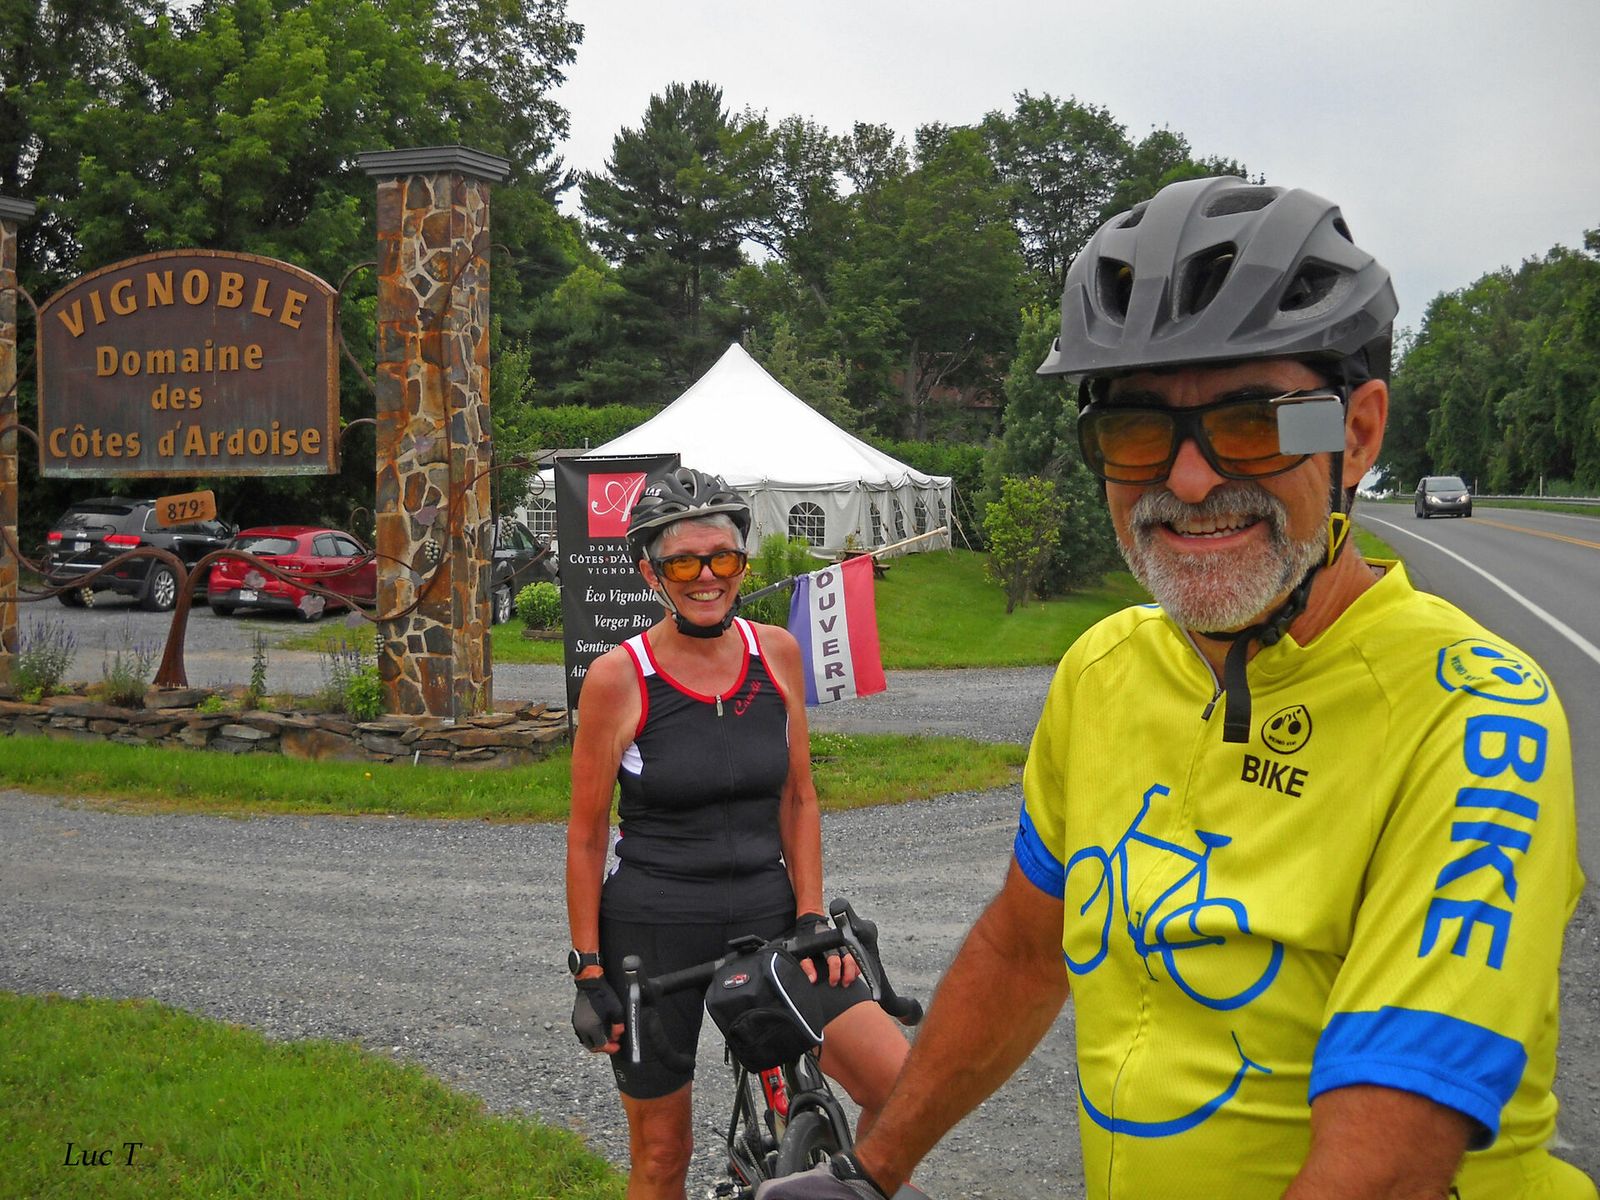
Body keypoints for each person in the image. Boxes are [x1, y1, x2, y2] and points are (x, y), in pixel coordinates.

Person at [759, 176, 1594, 1199]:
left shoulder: (1473, 715)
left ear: (1356, 434)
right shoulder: (1103, 671)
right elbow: (1024, 951)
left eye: (1252, 422)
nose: (1189, 481)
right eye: (1136, 430)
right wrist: (870, 1170)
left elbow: (1388, 1154)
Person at [565, 465, 910, 1199]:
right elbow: (588, 836)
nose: (705, 577)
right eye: (683, 563)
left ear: (742, 563)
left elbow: (798, 798)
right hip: (655, 930)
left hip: (769, 911)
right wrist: (589, 971)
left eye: (721, 559)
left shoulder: (775, 652)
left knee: (904, 1089)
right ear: (650, 573)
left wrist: (811, 915)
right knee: (663, 1154)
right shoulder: (618, 678)